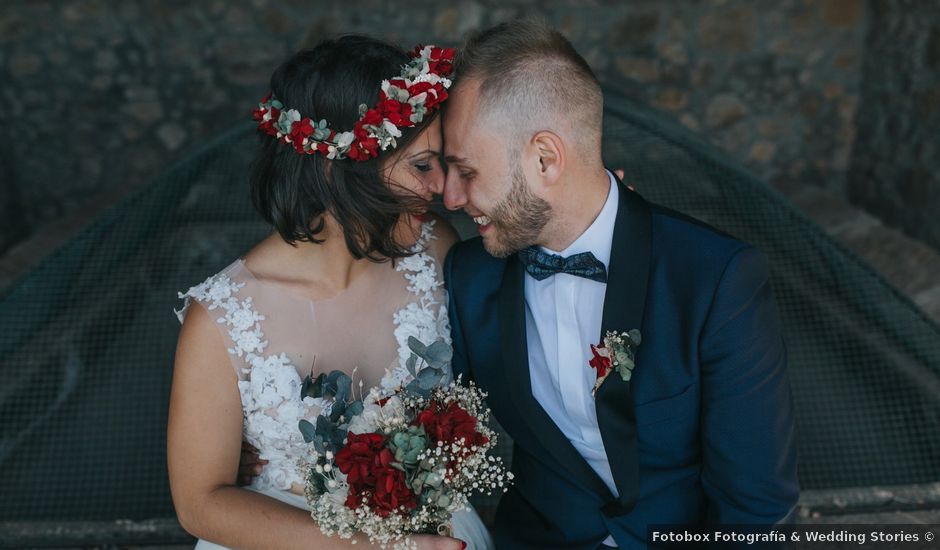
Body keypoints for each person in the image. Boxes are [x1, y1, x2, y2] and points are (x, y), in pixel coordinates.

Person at [441, 19, 799, 549]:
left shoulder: (714, 278)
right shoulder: (470, 276)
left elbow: (756, 505)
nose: (449, 197)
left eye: (465, 171)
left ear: (545, 158)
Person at [168, 35, 489, 550]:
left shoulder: (434, 253)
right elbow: (200, 503)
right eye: (422, 165)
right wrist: (379, 547)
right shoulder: (224, 318)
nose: (446, 191)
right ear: (333, 166)